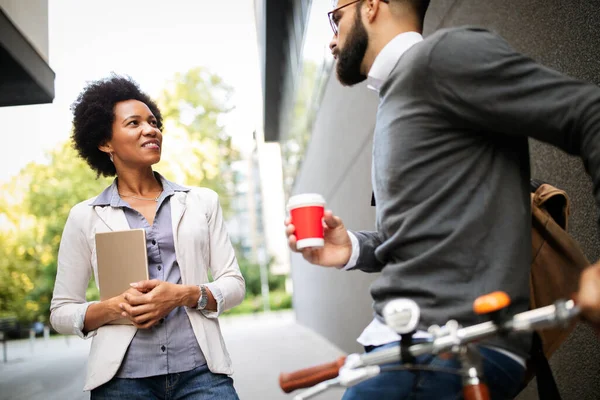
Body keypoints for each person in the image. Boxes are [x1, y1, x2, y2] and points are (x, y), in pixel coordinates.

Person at [285, 0, 600, 398]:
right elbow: (423, 236)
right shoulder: (398, 94)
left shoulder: (441, 58)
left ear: (372, 6)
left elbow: (589, 113)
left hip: (448, 352)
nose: (332, 41)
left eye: (336, 18)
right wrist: (352, 249)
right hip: (407, 350)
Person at [50, 75, 245, 399]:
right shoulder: (85, 216)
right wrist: (114, 309)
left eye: (153, 122)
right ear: (105, 142)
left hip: (201, 374)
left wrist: (183, 295)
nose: (151, 129)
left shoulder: (201, 201)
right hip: (122, 383)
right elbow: (61, 312)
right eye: (134, 123)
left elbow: (234, 284)